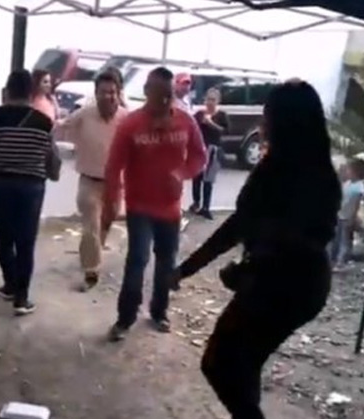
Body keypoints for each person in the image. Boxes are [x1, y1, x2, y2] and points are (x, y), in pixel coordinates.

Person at [169, 80, 340, 419]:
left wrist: (247, 269)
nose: (263, 123)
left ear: (287, 122)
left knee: (219, 364)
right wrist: (188, 268)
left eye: (268, 115)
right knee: (242, 365)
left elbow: (294, 241)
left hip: (287, 289)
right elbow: (240, 226)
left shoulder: (303, 177)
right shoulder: (289, 168)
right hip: (287, 284)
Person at [102, 67, 207, 340]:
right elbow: (114, 167)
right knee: (137, 260)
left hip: (170, 208)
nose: (164, 102)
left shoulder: (185, 121)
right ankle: (125, 318)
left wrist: (182, 173)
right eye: (159, 95)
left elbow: (199, 156)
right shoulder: (131, 124)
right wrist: (111, 202)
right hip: (139, 207)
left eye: (168, 96)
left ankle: (159, 311)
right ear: (147, 91)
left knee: (166, 262)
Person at [0, 69, 55, 316]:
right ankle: (21, 299)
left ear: (6, 91)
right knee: (25, 242)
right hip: (31, 188)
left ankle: (10, 284)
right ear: (31, 93)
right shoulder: (44, 122)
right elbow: (51, 159)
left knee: (3, 238)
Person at [55, 70, 128, 292]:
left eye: (112, 92)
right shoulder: (83, 115)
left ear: (119, 93)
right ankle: (91, 271)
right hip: (89, 181)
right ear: (96, 94)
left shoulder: (127, 119)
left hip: (116, 184)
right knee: (91, 226)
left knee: (106, 222)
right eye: (103, 92)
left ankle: (91, 253)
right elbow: (60, 128)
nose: (108, 96)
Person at [189, 87, 230, 220]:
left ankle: (206, 207)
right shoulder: (199, 114)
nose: (210, 102)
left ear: (218, 101)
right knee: (197, 178)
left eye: (213, 100)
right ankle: (196, 203)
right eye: (208, 99)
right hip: (200, 149)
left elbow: (225, 131)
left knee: (208, 180)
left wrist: (211, 123)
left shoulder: (221, 115)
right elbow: (191, 129)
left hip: (213, 149)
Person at [329, 158, 364, 271]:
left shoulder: (359, 186)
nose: (347, 172)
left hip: (348, 217)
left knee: (345, 241)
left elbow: (357, 203)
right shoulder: (347, 184)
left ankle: (341, 262)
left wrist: (354, 217)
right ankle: (333, 260)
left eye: (349, 170)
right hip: (339, 215)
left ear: (356, 172)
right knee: (336, 239)